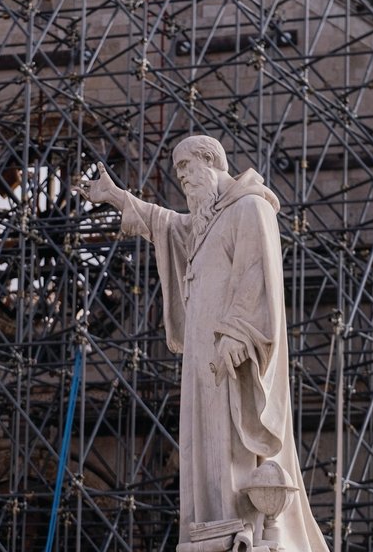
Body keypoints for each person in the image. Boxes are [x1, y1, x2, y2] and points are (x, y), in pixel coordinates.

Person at [74, 135, 327, 552]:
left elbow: (256, 273)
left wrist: (238, 333)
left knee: (231, 440)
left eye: (186, 168)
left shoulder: (250, 207)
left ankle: (239, 527)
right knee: (203, 440)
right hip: (201, 352)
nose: (183, 179)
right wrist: (117, 198)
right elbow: (166, 224)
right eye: (178, 172)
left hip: (232, 350)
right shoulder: (207, 220)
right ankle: (213, 526)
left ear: (211, 161)